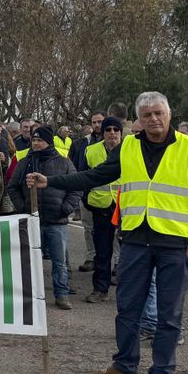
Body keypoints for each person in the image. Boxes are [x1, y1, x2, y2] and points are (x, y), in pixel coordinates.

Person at [29, 91, 188, 374]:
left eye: (159, 113)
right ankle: (125, 366)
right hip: (136, 241)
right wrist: (52, 182)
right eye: (147, 115)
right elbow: (96, 175)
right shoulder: (128, 146)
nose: (154, 119)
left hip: (176, 243)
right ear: (138, 121)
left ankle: (162, 373)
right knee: (127, 308)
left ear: (168, 114)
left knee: (169, 314)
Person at [8, 126, 80, 309]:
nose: (36, 143)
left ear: (49, 141)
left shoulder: (64, 163)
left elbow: (76, 186)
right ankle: (32, 295)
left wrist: (66, 208)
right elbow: (12, 187)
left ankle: (62, 294)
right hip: (33, 221)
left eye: (40, 140)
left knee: (59, 262)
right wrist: (23, 207)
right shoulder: (25, 162)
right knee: (31, 261)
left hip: (57, 221)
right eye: (34, 140)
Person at [82, 116, 124, 303]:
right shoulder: (91, 151)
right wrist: (86, 199)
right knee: (103, 251)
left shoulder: (131, 150)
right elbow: (82, 177)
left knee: (131, 253)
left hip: (128, 208)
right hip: (101, 207)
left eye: (116, 129)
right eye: (108, 129)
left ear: (121, 132)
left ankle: (128, 292)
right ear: (102, 132)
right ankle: (100, 289)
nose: (112, 132)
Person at [72, 112, 106, 273]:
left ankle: (116, 262)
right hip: (87, 193)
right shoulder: (82, 144)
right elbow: (75, 167)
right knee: (88, 227)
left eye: (100, 122)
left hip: (110, 196)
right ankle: (91, 257)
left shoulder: (116, 142)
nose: (97, 125)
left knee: (111, 233)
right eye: (94, 122)